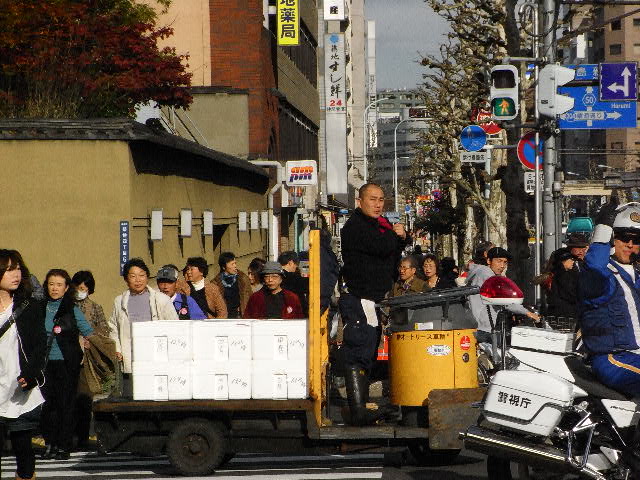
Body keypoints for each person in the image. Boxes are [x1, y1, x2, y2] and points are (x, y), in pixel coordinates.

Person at [339, 183, 406, 426]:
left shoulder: (377, 226)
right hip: (359, 298)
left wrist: (398, 239)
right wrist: (396, 236)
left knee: (367, 350)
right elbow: (382, 247)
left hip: (372, 300)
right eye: (372, 199)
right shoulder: (355, 227)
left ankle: (363, 405)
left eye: (381, 200)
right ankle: (358, 410)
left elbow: (391, 253)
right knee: (359, 351)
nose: (378, 204)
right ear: (360, 201)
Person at [579, 201, 640, 396]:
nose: (630, 244)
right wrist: (603, 228)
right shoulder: (604, 275)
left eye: (636, 239)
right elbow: (594, 268)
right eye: (623, 237)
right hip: (613, 358)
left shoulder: (636, 276)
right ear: (613, 239)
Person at [0, 250, 47, 480]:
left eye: (18, 268)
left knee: (23, 449)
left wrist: (30, 373)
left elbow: (40, 345)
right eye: (9, 269)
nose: (16, 274)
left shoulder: (29, 306)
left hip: (20, 387)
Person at [40, 269, 94, 460]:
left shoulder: (72, 308)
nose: (54, 288)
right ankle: (49, 443)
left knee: (66, 405)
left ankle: (63, 445)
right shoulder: (40, 307)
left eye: (59, 285)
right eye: (51, 284)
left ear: (66, 288)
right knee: (47, 406)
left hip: (66, 363)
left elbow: (88, 331)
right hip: (44, 364)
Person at [108, 258, 178, 394]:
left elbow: (174, 326)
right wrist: (117, 348)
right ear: (126, 279)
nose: (138, 280)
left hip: (155, 356)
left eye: (141, 275)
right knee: (131, 396)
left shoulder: (161, 299)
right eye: (133, 276)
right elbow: (113, 327)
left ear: (147, 277)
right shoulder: (119, 301)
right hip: (131, 357)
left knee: (156, 394)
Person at [70, 270, 110, 450]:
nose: (81, 291)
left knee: (84, 399)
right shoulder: (66, 305)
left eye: (84, 288)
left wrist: (91, 341)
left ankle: (83, 436)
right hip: (67, 356)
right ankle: (67, 436)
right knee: (66, 399)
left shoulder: (95, 308)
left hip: (87, 360)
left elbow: (103, 331)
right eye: (78, 287)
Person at [468, 247, 540, 343]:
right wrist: (527, 312)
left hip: (480, 325)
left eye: (505, 262)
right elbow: (504, 300)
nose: (502, 266)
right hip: (483, 328)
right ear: (489, 261)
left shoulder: (483, 272)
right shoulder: (487, 275)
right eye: (499, 261)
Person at [542, 248, 579, 319]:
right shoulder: (562, 275)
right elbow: (570, 294)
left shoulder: (557, 273)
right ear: (563, 261)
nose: (573, 262)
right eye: (571, 259)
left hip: (559, 314)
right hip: (565, 315)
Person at [212, 252, 252, 319]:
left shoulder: (243, 279)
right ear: (224, 267)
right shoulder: (215, 283)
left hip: (241, 316)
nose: (235, 266)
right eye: (232, 264)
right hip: (225, 318)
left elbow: (250, 297)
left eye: (235, 263)